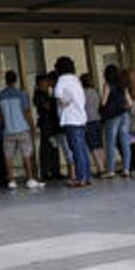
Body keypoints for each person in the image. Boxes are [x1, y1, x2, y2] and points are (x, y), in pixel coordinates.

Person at [0, 71, 43, 189]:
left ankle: (12, 181)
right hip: (22, 128)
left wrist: (4, 125)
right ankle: (29, 178)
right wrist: (32, 126)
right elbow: (27, 112)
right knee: (26, 154)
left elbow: (0, 115)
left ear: (6, 80)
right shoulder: (21, 94)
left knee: (8, 156)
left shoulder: (0, 96)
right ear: (16, 80)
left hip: (8, 130)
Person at [54, 58, 92, 187]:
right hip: (81, 118)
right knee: (82, 148)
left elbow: (59, 98)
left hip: (70, 119)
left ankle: (80, 178)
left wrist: (63, 103)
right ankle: (87, 176)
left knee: (76, 149)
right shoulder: (76, 80)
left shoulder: (62, 80)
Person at [100, 64, 135, 178]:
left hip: (112, 116)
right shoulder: (123, 85)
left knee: (111, 142)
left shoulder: (107, 85)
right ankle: (126, 169)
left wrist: (101, 106)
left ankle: (110, 170)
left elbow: (104, 102)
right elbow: (130, 103)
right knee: (125, 141)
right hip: (124, 115)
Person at [34, 73, 62, 182]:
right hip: (46, 124)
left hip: (53, 123)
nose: (47, 83)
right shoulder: (38, 94)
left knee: (54, 147)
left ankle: (56, 171)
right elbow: (47, 106)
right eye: (45, 81)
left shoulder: (48, 93)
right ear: (40, 83)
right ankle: (45, 172)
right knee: (46, 148)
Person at [81, 73, 107, 176]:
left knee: (93, 146)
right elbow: (100, 104)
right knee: (99, 144)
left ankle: (100, 169)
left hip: (88, 121)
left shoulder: (82, 93)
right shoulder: (95, 92)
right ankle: (103, 167)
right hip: (98, 119)